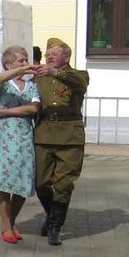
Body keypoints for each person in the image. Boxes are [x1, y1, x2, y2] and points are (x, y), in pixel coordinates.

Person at [32, 38, 90, 246]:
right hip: (44, 133)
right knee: (41, 183)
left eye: (53, 54)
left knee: (64, 184)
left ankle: (55, 226)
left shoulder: (79, 75)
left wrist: (55, 72)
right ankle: (51, 215)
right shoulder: (39, 77)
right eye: (47, 54)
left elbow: (79, 85)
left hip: (70, 135)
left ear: (66, 56)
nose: (48, 57)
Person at [0, 46, 40, 243]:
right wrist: (19, 71)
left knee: (24, 180)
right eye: (20, 61)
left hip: (23, 135)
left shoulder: (32, 86)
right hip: (3, 136)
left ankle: (11, 221)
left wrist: (4, 111)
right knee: (4, 182)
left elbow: (32, 108)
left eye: (26, 60)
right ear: (8, 64)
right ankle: (7, 227)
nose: (25, 64)